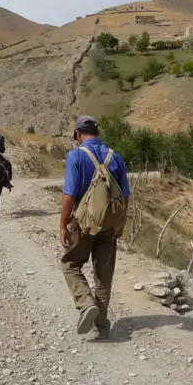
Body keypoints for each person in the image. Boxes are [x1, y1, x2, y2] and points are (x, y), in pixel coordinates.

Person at [60, 115, 130, 339]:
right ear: (97, 132)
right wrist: (120, 222)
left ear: (78, 134)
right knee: (103, 274)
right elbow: (125, 196)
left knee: (70, 263)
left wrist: (63, 225)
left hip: (84, 225)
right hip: (109, 224)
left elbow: (69, 195)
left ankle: (86, 303)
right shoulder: (115, 156)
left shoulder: (76, 156)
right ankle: (101, 323)